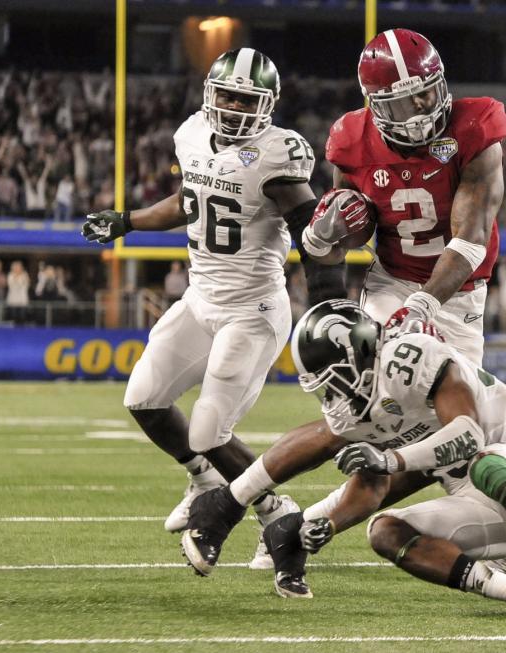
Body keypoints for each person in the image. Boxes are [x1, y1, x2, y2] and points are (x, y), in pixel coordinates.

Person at [181, 300, 506, 622]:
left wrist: (392, 458)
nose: (333, 396)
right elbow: (368, 480)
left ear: (358, 353)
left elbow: (468, 435)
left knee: (486, 463)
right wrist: (331, 523)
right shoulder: (364, 401)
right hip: (472, 500)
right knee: (385, 531)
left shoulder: (407, 356)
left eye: (336, 382)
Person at [82, 48, 343, 568]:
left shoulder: (278, 156)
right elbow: (188, 201)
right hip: (200, 298)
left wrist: (327, 306)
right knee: (144, 398)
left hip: (252, 309)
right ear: (210, 93)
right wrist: (127, 219)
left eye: (246, 99)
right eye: (226, 94)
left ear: (267, 104)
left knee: (207, 432)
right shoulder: (193, 134)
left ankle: (274, 510)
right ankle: (204, 481)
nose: (233, 107)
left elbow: (313, 236)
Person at [301, 28, 506, 365]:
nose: (421, 107)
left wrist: (421, 307)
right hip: (392, 284)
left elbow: (472, 240)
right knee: (375, 391)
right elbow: (351, 239)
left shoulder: (474, 127)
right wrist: (321, 239)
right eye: (402, 103)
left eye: (427, 93)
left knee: (456, 404)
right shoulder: (352, 140)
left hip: (459, 293)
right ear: (378, 106)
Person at [6, 260, 30, 324]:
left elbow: (26, 284)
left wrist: (19, 278)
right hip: (13, 299)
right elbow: (11, 285)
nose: (17, 268)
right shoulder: (10, 275)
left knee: (22, 315)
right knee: (13, 315)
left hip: (22, 299)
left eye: (18, 267)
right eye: (15, 267)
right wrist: (16, 277)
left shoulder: (25, 275)